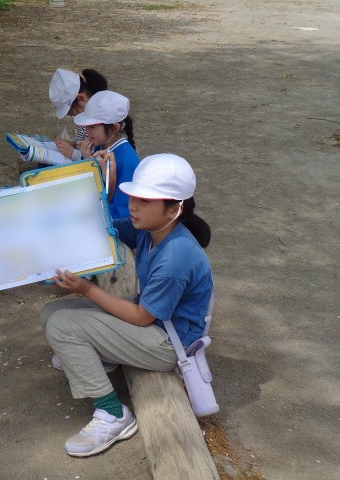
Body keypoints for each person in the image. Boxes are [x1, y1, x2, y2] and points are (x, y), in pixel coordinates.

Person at [39, 153, 213, 457]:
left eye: (145, 201)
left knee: (62, 326)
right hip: (154, 323)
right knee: (51, 312)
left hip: (167, 343)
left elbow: (142, 317)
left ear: (174, 208)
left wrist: (86, 289)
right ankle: (103, 356)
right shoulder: (152, 229)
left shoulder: (176, 257)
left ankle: (113, 414)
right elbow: (105, 227)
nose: (133, 206)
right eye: (133, 197)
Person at [74, 90, 139, 220]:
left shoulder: (126, 161)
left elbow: (123, 213)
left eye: (92, 127)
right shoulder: (101, 145)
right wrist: (87, 158)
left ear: (114, 128)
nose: (86, 131)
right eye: (86, 126)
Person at [48, 68, 108, 161]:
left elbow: (101, 159)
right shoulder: (84, 115)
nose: (68, 114)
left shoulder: (101, 120)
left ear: (81, 98)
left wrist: (72, 153)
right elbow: (83, 137)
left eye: (69, 110)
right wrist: (73, 143)